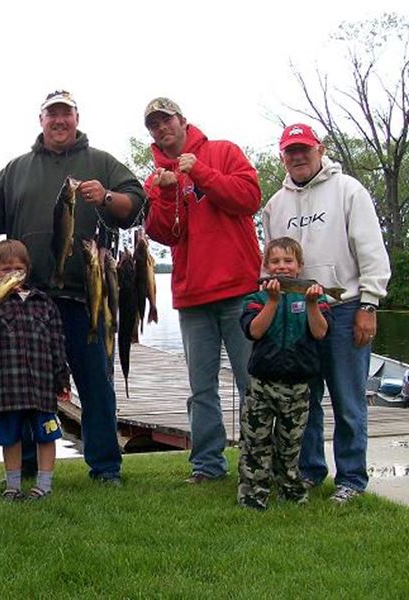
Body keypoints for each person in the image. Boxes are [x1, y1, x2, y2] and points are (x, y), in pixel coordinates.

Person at [0, 90, 146, 485]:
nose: (59, 121)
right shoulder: (17, 168)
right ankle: (26, 463)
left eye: (66, 114)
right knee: (28, 387)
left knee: (96, 384)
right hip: (28, 302)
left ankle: (105, 466)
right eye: (51, 115)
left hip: (87, 298)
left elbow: (135, 202)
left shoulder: (101, 163)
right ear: (40, 120)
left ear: (77, 117)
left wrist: (107, 196)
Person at [263, 123, 391, 503]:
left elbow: (371, 251)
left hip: (345, 307)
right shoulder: (274, 205)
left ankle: (351, 478)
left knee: (348, 399)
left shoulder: (349, 190)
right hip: (297, 311)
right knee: (305, 398)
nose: (298, 156)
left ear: (319, 149)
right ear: (282, 155)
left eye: (304, 149)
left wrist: (369, 304)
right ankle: (310, 471)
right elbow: (270, 262)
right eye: (291, 151)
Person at [143, 97, 262, 484]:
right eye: (154, 125)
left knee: (252, 382)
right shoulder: (156, 177)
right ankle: (208, 467)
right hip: (193, 298)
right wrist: (165, 192)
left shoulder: (223, 152)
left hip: (241, 291)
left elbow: (248, 199)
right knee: (201, 389)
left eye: (167, 121)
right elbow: (165, 234)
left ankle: (259, 460)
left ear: (183, 121)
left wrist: (203, 174)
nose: (162, 129)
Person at [0, 240, 70, 500]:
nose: (13, 274)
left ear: (27, 270)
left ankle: (44, 484)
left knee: (46, 435)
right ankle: (12, 484)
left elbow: (57, 341)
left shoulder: (44, 302)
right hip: (6, 387)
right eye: (6, 269)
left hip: (41, 385)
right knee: (9, 437)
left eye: (18, 269)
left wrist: (62, 376)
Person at [237, 238, 332, 510]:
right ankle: (253, 496)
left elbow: (320, 332)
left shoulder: (315, 297)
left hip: (298, 387)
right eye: (275, 262)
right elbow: (254, 331)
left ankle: (290, 491)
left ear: (299, 266)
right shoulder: (256, 297)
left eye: (288, 261)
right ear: (266, 267)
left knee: (290, 446)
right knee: (255, 444)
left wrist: (313, 304)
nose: (282, 267)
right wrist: (273, 301)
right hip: (261, 385)